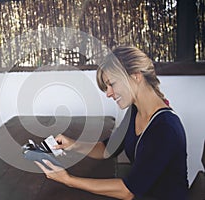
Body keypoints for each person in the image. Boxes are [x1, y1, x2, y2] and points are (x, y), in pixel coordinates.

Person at [35, 46, 188, 200]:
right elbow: (108, 149)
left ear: (136, 76)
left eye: (112, 84)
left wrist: (68, 180)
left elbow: (128, 191)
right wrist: (72, 144)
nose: (108, 93)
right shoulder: (135, 110)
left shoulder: (164, 128)